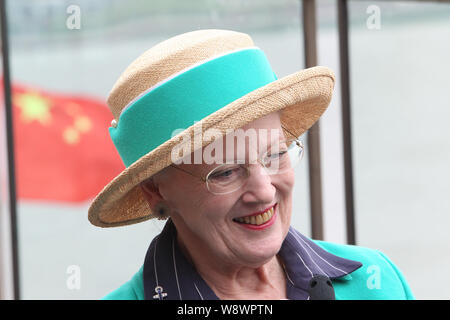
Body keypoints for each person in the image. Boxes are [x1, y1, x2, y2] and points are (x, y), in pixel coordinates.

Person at [88, 29, 414, 300]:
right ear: (155, 190)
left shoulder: (378, 284)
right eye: (226, 171)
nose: (263, 190)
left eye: (274, 155)